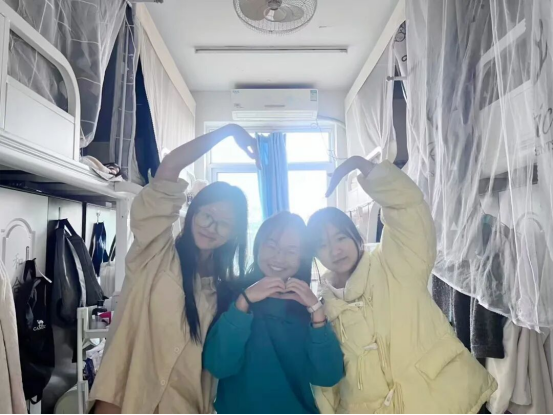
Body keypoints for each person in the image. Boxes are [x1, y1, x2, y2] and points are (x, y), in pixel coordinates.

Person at [308, 157, 498, 414]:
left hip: (442, 401)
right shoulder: (322, 312)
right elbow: (326, 387)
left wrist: (363, 166)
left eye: (340, 237)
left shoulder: (395, 261)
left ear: (355, 235)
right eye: (322, 245)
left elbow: (408, 207)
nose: (335, 250)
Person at [91, 124, 258, 414]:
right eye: (207, 215)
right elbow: (169, 168)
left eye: (224, 223)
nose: (211, 227)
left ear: (234, 234)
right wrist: (227, 132)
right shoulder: (155, 252)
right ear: (193, 212)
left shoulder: (227, 293)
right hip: (123, 402)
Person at [203, 212, 344, 415]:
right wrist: (243, 302)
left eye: (291, 250)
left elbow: (328, 376)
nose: (279, 257)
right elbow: (219, 366)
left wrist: (316, 311)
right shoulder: (230, 293)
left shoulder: (308, 306)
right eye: (271, 245)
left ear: (302, 258)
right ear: (258, 246)